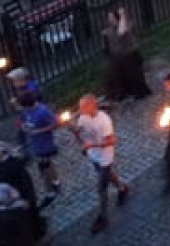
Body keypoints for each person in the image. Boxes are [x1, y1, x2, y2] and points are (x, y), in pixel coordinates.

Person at [70, 94, 129, 235]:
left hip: (105, 158)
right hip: (94, 155)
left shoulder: (104, 121)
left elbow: (112, 141)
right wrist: (74, 131)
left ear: (92, 106)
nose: (79, 110)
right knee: (108, 176)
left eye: (82, 107)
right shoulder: (83, 117)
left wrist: (92, 144)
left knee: (101, 188)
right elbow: (80, 134)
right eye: (79, 107)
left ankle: (103, 217)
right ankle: (122, 188)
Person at [0, 141, 45, 239]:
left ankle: (33, 233)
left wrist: (27, 199)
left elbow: (24, 183)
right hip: (10, 196)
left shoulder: (12, 165)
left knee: (26, 216)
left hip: (19, 195)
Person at [16, 94, 61, 206]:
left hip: (44, 145)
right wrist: (23, 127)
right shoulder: (25, 111)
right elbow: (22, 120)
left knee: (44, 169)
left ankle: (50, 192)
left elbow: (55, 123)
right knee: (48, 164)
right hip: (35, 144)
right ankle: (56, 181)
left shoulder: (43, 111)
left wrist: (39, 131)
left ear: (27, 106)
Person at [102, 8, 151, 103]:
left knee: (133, 75)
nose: (110, 20)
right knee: (118, 76)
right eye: (109, 18)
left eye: (111, 17)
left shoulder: (126, 24)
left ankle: (139, 93)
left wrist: (123, 15)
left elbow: (121, 32)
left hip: (130, 55)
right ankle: (123, 94)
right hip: (118, 57)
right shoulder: (109, 30)